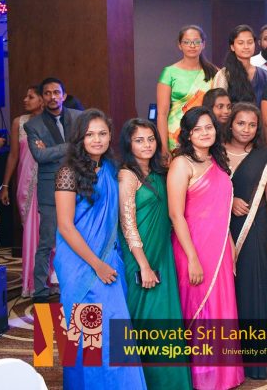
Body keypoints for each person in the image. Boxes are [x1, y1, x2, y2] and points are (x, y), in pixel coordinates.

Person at [53, 110, 148, 389]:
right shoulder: (67, 173)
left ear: (110, 136)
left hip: (109, 259)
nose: (97, 140)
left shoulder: (110, 169)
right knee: (84, 332)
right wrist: (97, 265)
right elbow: (65, 226)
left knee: (112, 332)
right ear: (79, 138)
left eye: (102, 134)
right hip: (80, 263)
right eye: (90, 134)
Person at [166, 107, 244, 389]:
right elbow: (176, 215)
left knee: (221, 307)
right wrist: (192, 258)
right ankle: (204, 376)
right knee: (200, 310)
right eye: (197, 129)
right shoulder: (181, 164)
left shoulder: (218, 160)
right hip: (192, 248)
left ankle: (224, 375)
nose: (204, 133)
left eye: (208, 127)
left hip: (219, 247)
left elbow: (221, 211)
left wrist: (230, 244)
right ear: (187, 134)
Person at [117, 119, 193, 389]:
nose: (147, 145)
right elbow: (127, 225)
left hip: (163, 253)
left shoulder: (160, 172)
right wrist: (144, 266)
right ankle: (145, 382)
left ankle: (171, 382)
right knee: (146, 320)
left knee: (167, 318)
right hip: (141, 256)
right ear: (128, 144)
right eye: (139, 140)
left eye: (150, 139)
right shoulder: (127, 175)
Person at [224, 103, 267, 380]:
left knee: (256, 289)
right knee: (229, 292)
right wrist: (230, 199)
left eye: (252, 125)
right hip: (221, 230)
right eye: (240, 123)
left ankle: (257, 357)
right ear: (230, 124)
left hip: (257, 228)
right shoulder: (215, 152)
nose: (246, 129)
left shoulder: (265, 156)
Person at [25, 77, 82, 303]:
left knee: (81, 237)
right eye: (47, 93)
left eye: (56, 92)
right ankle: (40, 290)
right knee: (47, 242)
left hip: (80, 186)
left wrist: (52, 150)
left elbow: (85, 148)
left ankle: (77, 283)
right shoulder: (33, 125)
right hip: (50, 190)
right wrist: (70, 146)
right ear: (42, 98)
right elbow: (39, 156)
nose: (52, 97)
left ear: (64, 95)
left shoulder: (79, 117)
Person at [0, 85, 44, 297]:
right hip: (26, 185)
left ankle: (49, 279)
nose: (25, 99)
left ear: (42, 100)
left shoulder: (51, 122)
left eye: (30, 96)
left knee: (47, 231)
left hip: (46, 184)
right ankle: (31, 282)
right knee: (30, 232)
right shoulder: (19, 122)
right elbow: (14, 156)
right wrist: (5, 185)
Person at [156, 25, 217, 153]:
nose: (192, 46)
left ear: (203, 44)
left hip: (205, 133)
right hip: (176, 134)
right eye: (187, 42)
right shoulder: (169, 73)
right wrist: (163, 147)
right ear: (180, 45)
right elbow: (162, 113)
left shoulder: (214, 72)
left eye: (196, 42)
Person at [212, 24, 267, 105]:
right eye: (240, 43)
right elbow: (218, 105)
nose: (246, 46)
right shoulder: (224, 75)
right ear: (232, 47)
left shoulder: (265, 75)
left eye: (250, 42)